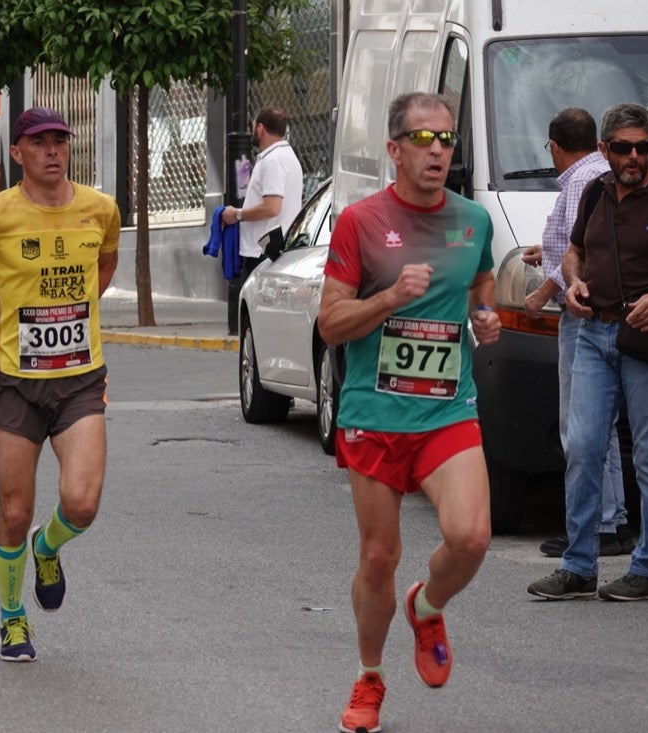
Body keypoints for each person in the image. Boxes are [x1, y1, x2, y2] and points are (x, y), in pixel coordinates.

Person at [317, 92, 498, 733]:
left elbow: (479, 282)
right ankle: (370, 677)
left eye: (446, 140)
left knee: (473, 536)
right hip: (374, 410)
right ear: (394, 150)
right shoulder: (360, 223)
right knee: (379, 558)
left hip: (448, 410)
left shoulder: (474, 221)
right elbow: (331, 324)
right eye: (423, 141)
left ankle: (429, 604)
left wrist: (484, 314)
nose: (438, 151)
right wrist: (392, 295)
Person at [0, 107, 120, 663]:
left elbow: (106, 263)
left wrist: (73, 315)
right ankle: (12, 618)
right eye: (39, 143)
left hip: (80, 378)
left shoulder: (101, 209)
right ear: (18, 154)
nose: (52, 150)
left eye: (60, 140)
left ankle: (48, 546)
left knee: (80, 504)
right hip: (15, 382)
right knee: (13, 512)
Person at [528, 102, 648, 602]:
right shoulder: (594, 191)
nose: (633, 156)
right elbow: (575, 251)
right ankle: (578, 566)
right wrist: (571, 283)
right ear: (604, 150)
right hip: (593, 334)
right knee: (584, 447)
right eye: (623, 148)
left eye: (642, 147)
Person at [523, 108, 634, 559]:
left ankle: (600, 525)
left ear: (554, 146)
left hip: (582, 316)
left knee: (582, 425)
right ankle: (611, 521)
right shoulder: (595, 175)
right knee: (598, 425)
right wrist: (545, 251)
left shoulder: (581, 181)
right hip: (600, 313)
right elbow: (574, 243)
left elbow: (581, 257)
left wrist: (542, 293)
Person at [221, 107, 303, 336]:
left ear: (261, 128)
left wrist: (236, 214)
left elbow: (272, 206)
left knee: (257, 327)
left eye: (253, 126)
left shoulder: (273, 161)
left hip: (262, 254)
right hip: (276, 251)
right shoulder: (288, 157)